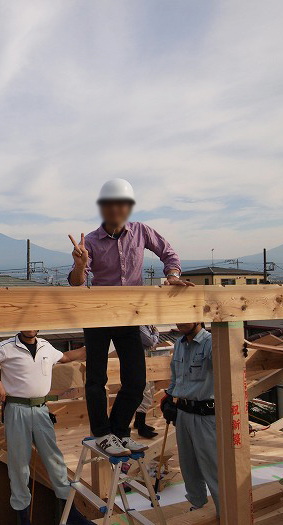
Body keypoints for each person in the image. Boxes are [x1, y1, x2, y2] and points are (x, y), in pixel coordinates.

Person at [68, 178, 193, 457]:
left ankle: (119, 432)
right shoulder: (90, 241)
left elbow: (169, 253)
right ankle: (102, 434)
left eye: (122, 204)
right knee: (96, 379)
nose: (117, 210)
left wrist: (172, 275)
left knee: (136, 380)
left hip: (129, 316)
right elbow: (77, 283)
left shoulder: (141, 232)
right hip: (98, 316)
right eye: (110, 204)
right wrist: (80, 265)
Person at [0, 331, 93, 525]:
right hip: (16, 410)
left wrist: (92, 347)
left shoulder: (46, 346)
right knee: (19, 466)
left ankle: (72, 515)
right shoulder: (7, 347)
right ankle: (24, 520)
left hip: (41, 410)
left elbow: (66, 357)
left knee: (55, 462)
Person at [161, 323, 219, 514]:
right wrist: (169, 398)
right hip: (183, 413)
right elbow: (176, 377)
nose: (180, 322)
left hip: (205, 414)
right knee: (188, 465)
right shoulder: (179, 344)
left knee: (212, 465)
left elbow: (227, 363)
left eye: (185, 317)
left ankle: (225, 509)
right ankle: (198, 503)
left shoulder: (211, 343)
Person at [133, 325, 160, 439]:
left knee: (148, 391)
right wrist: (156, 334)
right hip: (141, 362)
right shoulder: (141, 326)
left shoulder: (147, 326)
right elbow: (149, 341)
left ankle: (139, 422)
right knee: (146, 392)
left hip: (146, 362)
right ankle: (141, 427)